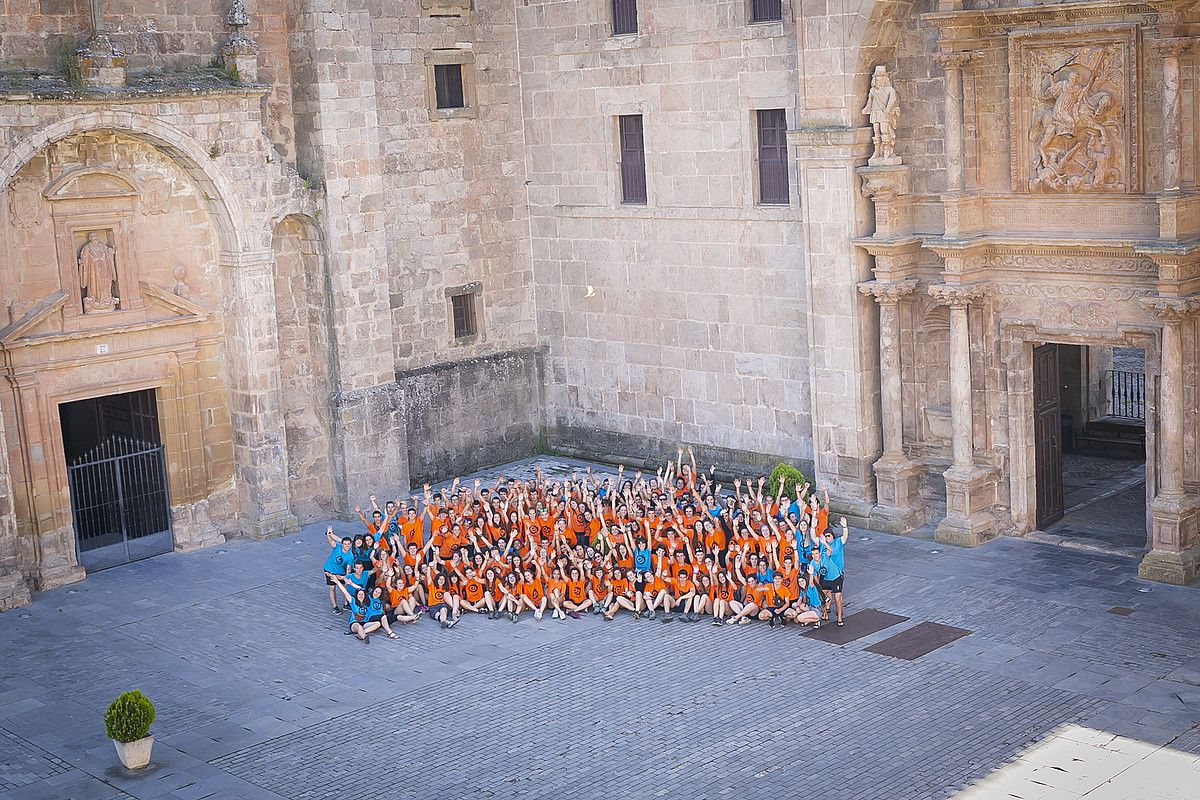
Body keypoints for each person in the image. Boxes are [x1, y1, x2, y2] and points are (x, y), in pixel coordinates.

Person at [322, 528, 354, 613]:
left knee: (345, 587)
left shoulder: (350, 556)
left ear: (350, 544)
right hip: (329, 570)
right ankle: (334, 606)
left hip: (340, 572)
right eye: (345, 544)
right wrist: (329, 534)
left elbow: (348, 568)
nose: (346, 546)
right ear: (342, 544)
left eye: (348, 544)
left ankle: (346, 604)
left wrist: (346, 577)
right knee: (332, 588)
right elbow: (331, 541)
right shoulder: (337, 547)